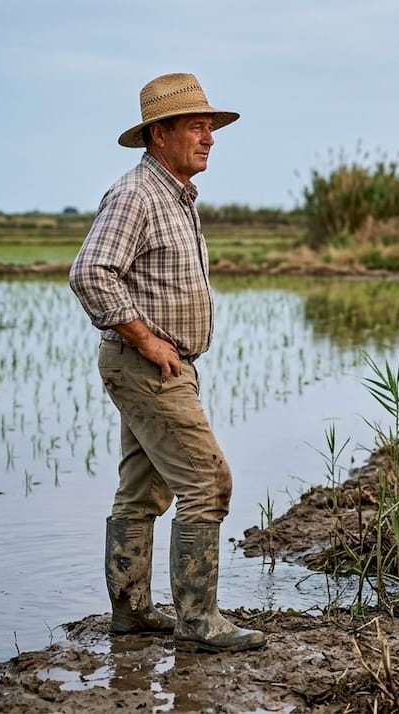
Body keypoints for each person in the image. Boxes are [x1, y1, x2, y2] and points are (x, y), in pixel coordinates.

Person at [68, 72, 265, 653]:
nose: (209, 138)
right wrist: (148, 340)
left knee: (142, 490)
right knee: (208, 482)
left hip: (155, 366)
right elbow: (90, 272)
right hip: (148, 367)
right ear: (160, 134)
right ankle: (199, 621)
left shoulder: (176, 195)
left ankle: (130, 613)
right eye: (197, 127)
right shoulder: (137, 194)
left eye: (211, 127)